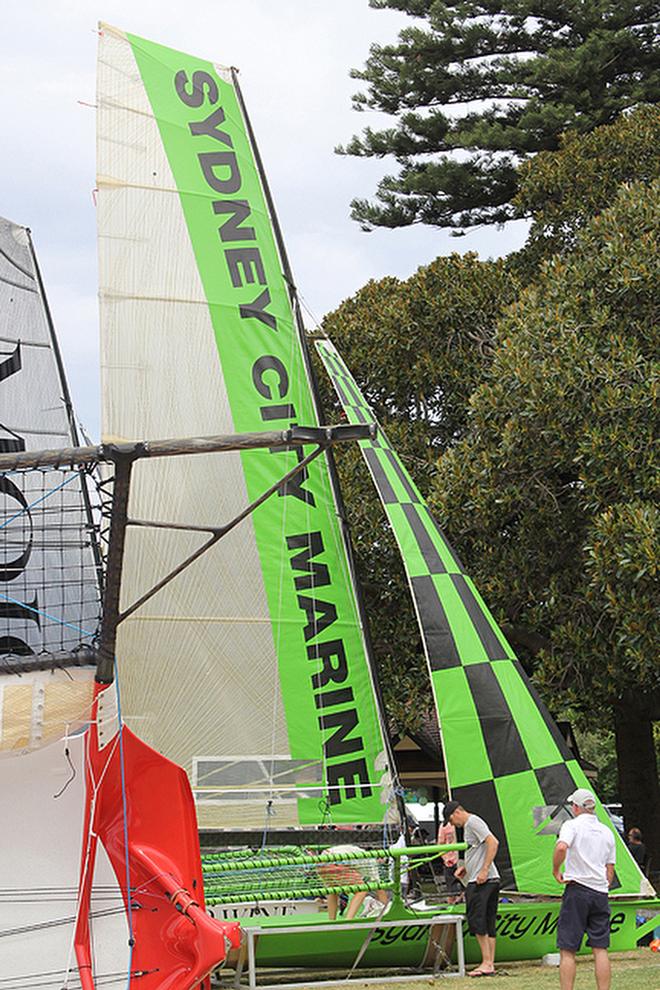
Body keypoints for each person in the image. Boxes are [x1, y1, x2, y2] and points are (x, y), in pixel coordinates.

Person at [552, 788, 616, 990]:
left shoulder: (571, 825)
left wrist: (556, 869)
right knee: (600, 948)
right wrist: (603, 887)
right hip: (600, 891)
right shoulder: (607, 831)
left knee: (568, 949)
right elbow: (610, 869)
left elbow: (561, 847)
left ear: (576, 807)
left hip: (577, 889)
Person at [444, 800, 500, 977]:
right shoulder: (470, 825)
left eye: (451, 821)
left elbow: (493, 842)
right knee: (488, 921)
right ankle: (489, 962)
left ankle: (486, 962)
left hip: (481, 880)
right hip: (490, 879)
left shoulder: (473, 822)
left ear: (455, 814)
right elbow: (479, 849)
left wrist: (483, 869)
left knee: (476, 920)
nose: (453, 825)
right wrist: (466, 867)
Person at [317, 844, 390, 920]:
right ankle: (348, 921)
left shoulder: (361, 857)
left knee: (332, 889)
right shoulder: (372, 864)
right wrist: (385, 910)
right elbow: (380, 890)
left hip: (321, 861)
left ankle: (331, 921)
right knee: (362, 890)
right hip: (335, 862)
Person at [437, 819, 463, 904]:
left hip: (462, 859)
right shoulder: (444, 826)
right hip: (451, 861)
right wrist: (445, 858)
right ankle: (452, 903)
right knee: (451, 889)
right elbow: (440, 844)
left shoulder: (463, 822)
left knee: (464, 886)